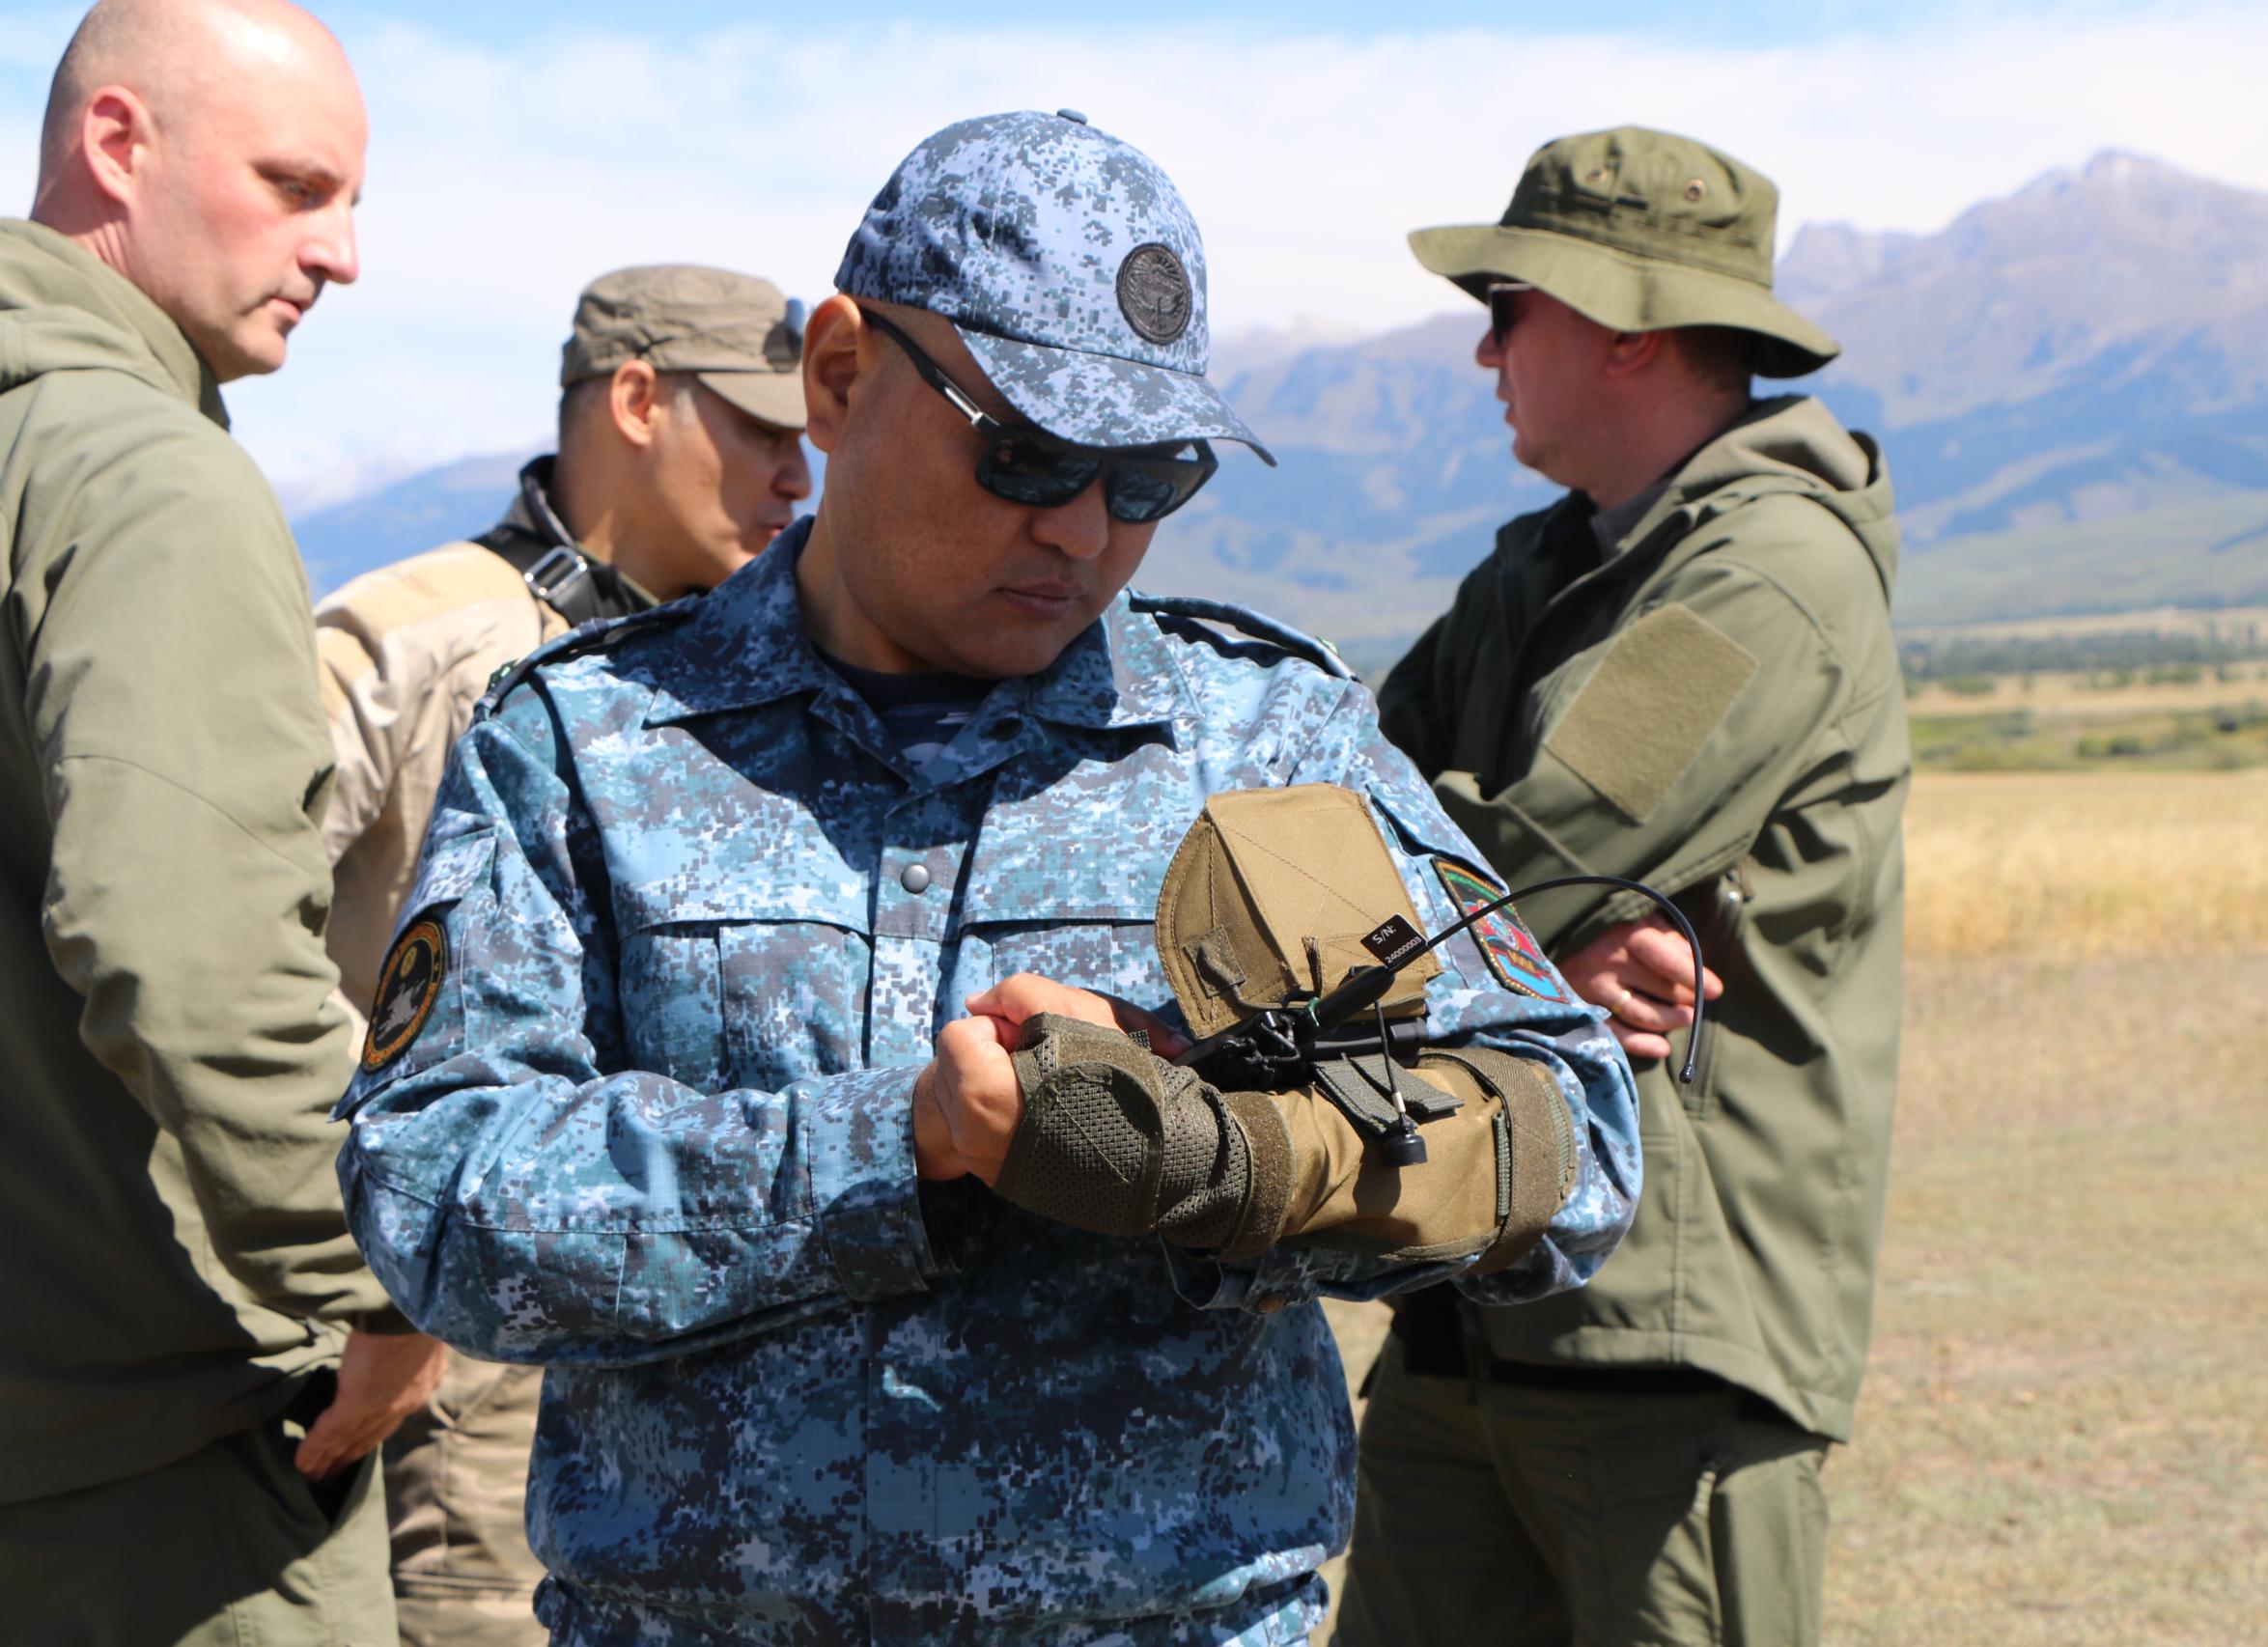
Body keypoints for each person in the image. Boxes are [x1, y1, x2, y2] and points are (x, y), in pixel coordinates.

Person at [335, 109, 1643, 1644]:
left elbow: (1570, 1138)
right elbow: (432, 1192)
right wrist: (895, 1144)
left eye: (1152, 476)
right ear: (837, 377)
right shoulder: (585, 743)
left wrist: (1225, 1160)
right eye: (1026, 452)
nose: (1086, 529)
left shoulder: (1264, 739)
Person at [1337, 126, 1910, 1647]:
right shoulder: (1537, 569)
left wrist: (1524, 919)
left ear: (1630, 326)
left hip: (1662, 1339)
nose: (1482, 351)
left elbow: (1538, 845)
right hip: (1471, 1296)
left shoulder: (1768, 571)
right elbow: (1336, 819)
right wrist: (1538, 958)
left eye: (1510, 307)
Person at [0, 2, 446, 1641]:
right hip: (144, 1478)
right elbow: (185, 950)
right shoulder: (143, 480)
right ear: (119, 146)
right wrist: (385, 1276)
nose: (339, 254)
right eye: (295, 184)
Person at [315, 264, 810, 1645]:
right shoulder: (410, 639)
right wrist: (361, 1261)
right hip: (432, 1354)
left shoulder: (753, 678)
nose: (796, 473)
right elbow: (213, 940)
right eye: (765, 430)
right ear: (640, 400)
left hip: (673, 1379)